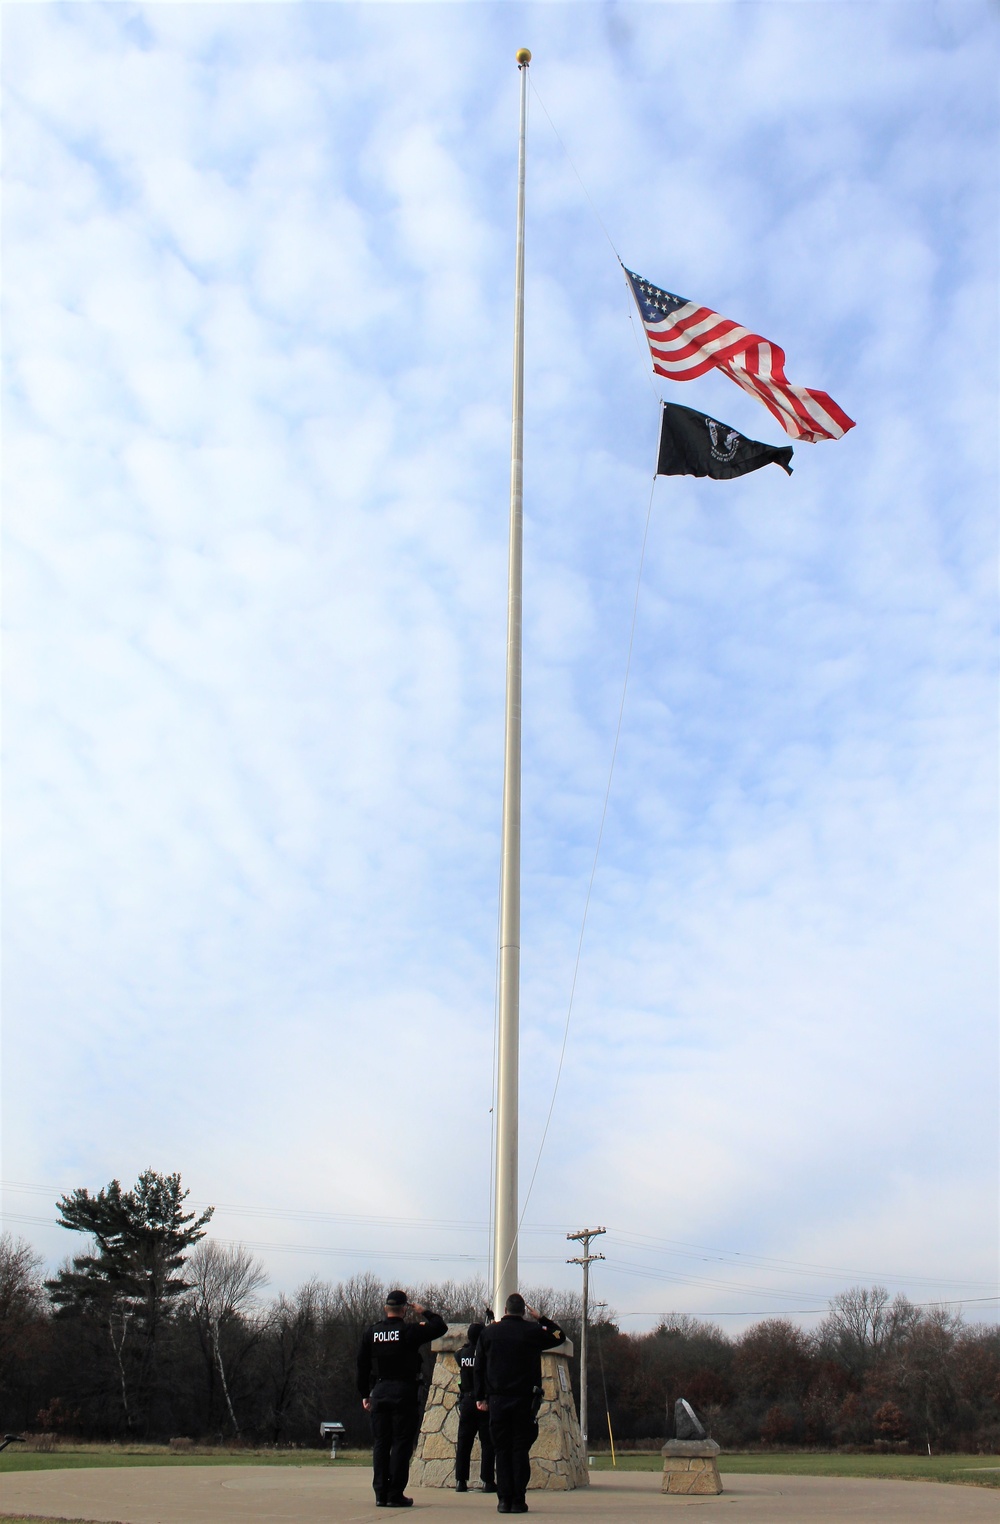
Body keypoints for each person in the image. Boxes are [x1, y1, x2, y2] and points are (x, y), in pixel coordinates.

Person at [474, 1292, 565, 1514]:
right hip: (524, 1400)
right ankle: (518, 1499)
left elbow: (478, 1367)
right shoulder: (532, 1332)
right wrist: (541, 1318)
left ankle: (503, 1499)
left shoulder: (489, 1333)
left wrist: (479, 1397)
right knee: (520, 1449)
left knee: (501, 1450)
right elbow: (559, 1336)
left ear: (505, 1311)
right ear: (524, 1311)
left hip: (498, 1400)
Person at [357, 1289, 447, 1508]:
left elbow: (362, 1366)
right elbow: (440, 1327)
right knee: (401, 1444)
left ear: (386, 1308)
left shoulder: (372, 1332)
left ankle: (380, 1493)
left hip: (379, 1390)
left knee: (381, 1443)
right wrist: (424, 1311)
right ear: (405, 1309)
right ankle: (395, 1493)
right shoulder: (408, 1331)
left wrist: (364, 1394)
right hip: (403, 1392)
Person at [454, 1320, 496, 1493]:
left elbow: (458, 1353)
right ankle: (487, 1481)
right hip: (484, 1401)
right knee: (487, 1443)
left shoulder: (462, 1354)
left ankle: (460, 1481)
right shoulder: (486, 1355)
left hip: (466, 1401)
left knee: (464, 1443)